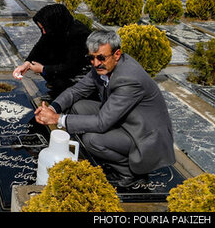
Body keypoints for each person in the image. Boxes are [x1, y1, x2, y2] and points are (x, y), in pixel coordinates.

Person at [34, 30, 176, 188]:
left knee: (92, 140)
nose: (95, 63)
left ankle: (131, 173)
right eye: (91, 58)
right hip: (126, 119)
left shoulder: (129, 78)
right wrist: (53, 108)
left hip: (144, 135)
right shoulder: (105, 66)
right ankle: (110, 155)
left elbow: (102, 123)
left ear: (117, 54)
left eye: (101, 57)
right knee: (79, 106)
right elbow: (77, 90)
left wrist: (57, 119)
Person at [13, 4, 91, 99]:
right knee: (43, 56)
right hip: (65, 67)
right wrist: (26, 63)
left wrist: (43, 69)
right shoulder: (56, 29)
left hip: (80, 76)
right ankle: (58, 89)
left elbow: (72, 67)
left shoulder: (80, 35)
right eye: (41, 29)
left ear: (54, 23)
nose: (44, 32)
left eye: (44, 28)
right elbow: (40, 46)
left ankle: (66, 95)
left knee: (48, 66)